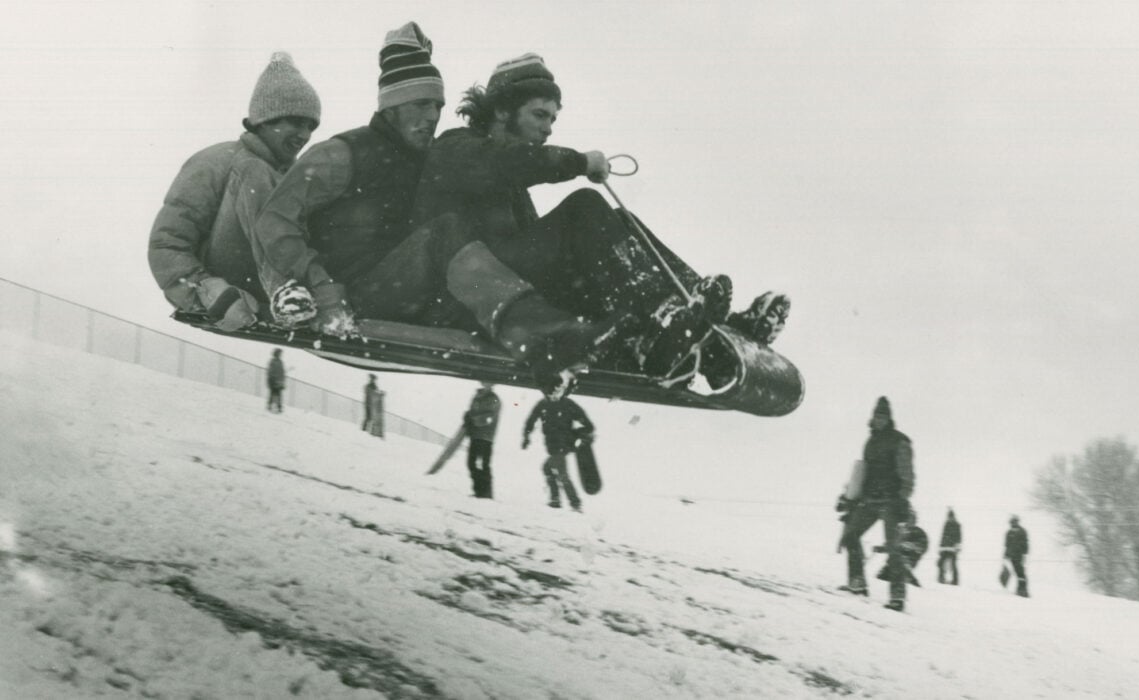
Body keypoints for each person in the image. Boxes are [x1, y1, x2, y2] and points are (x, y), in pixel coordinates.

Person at [251, 24, 623, 394]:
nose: (432, 115)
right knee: (446, 230)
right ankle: (538, 336)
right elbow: (274, 221)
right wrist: (321, 285)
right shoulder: (343, 153)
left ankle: (618, 329)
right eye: (420, 104)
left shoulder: (424, 158)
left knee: (474, 231)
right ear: (392, 107)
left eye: (438, 105)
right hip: (358, 290)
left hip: (418, 287)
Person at [413, 53, 792, 381]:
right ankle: (664, 316)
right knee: (583, 206)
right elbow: (505, 164)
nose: (548, 128)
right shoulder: (455, 149)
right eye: (540, 115)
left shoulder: (514, 193)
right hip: (466, 297)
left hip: (514, 289)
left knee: (621, 223)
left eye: (553, 120)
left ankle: (710, 334)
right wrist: (576, 162)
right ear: (501, 111)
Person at [148, 52, 321, 331]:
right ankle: (287, 293)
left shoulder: (295, 175)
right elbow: (167, 243)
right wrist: (206, 292)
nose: (304, 135)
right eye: (296, 122)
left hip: (278, 283)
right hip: (225, 284)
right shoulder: (219, 161)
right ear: (266, 120)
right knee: (254, 172)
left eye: (311, 126)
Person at [837, 397, 915, 612]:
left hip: (892, 501)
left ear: (889, 418)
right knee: (850, 536)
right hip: (870, 499)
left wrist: (903, 499)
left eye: (883, 416)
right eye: (877, 416)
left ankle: (897, 597)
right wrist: (849, 497)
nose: (879, 420)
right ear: (873, 417)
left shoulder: (900, 441)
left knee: (894, 549)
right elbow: (862, 473)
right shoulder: (870, 442)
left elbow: (907, 474)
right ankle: (857, 583)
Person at [522, 394, 593, 512]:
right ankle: (557, 499)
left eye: (557, 390)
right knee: (548, 468)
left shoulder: (568, 404)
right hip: (553, 446)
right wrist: (526, 436)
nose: (553, 395)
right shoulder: (543, 404)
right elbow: (531, 420)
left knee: (562, 473)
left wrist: (577, 434)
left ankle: (574, 503)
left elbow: (589, 425)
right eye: (551, 391)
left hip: (563, 445)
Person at [463, 383, 501, 498]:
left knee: (484, 465)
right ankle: (479, 491)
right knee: (471, 463)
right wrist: (467, 417)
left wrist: (473, 420)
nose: (486, 385)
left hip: (486, 437)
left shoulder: (494, 399)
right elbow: (471, 412)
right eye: (485, 383)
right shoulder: (477, 397)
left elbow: (489, 417)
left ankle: (486, 492)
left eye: (489, 384)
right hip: (475, 435)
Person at [875, 508, 928, 587]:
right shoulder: (900, 531)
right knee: (883, 576)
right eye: (907, 518)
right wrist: (881, 549)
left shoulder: (918, 532)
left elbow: (922, 546)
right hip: (893, 559)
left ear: (915, 520)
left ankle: (914, 584)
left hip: (909, 559)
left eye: (911, 518)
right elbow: (892, 545)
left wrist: (910, 546)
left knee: (902, 569)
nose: (909, 521)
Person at [1004, 515, 1030, 598]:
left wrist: (1024, 554)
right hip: (1012, 555)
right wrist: (1006, 554)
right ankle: (1020, 589)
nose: (1013, 523)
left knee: (1020, 572)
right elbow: (1007, 545)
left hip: (1019, 555)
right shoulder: (1009, 532)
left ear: (1017, 522)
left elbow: (1025, 543)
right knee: (1017, 572)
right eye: (1012, 522)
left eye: (1014, 521)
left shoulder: (1022, 531)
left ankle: (1023, 590)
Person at [937, 508, 962, 585]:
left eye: (950, 517)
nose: (949, 518)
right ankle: (941, 578)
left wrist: (957, 547)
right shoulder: (946, 524)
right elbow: (943, 535)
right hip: (945, 547)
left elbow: (959, 537)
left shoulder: (957, 525)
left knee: (953, 564)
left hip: (952, 548)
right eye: (949, 517)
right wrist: (941, 546)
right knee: (941, 563)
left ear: (953, 516)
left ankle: (955, 581)